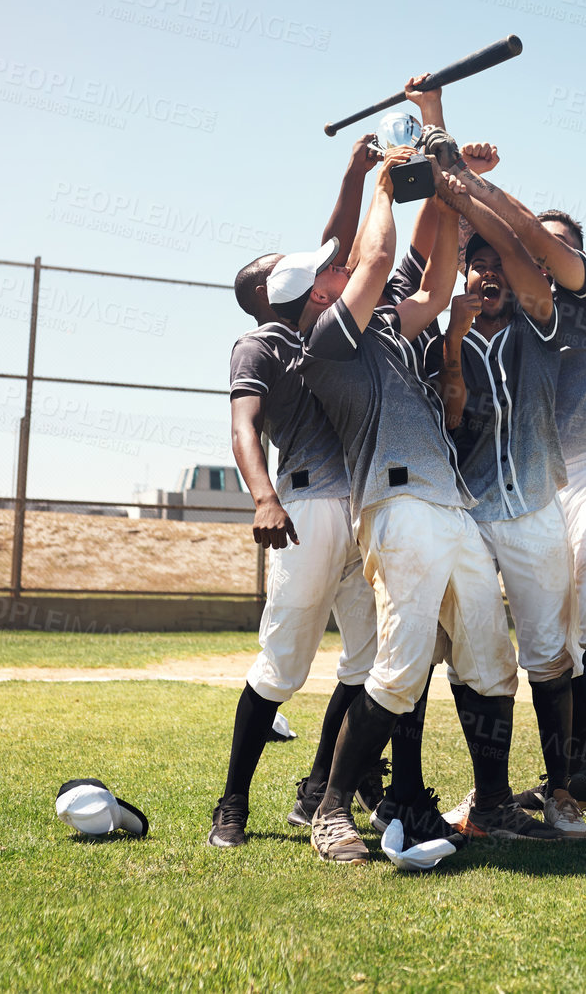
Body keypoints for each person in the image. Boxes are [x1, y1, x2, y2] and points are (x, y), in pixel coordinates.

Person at [292, 82, 559, 863]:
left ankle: (495, 802)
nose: (339, 269)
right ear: (315, 298)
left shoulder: (386, 324)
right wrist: (384, 180)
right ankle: (333, 809)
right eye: (325, 272)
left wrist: (439, 167)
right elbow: (375, 254)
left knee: (488, 658)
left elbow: (436, 283)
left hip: (451, 504)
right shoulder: (329, 342)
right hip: (399, 501)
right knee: (399, 666)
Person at [434, 154, 586, 812]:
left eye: (557, 244)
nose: (545, 253)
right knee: (553, 625)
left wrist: (465, 179)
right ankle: (567, 780)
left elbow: (525, 233)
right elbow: (483, 252)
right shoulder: (519, 314)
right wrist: (446, 167)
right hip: (545, 477)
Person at [206, 135, 391, 849]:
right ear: (266, 293)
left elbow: (334, 247)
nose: (325, 272)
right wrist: (261, 495)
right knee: (282, 666)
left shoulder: (324, 326)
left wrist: (353, 174)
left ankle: (320, 787)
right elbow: (244, 426)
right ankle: (232, 802)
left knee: (373, 662)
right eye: (297, 274)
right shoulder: (259, 344)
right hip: (307, 507)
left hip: (369, 509)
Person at [432, 146, 586, 839]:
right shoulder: (449, 338)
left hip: (532, 506)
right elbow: (452, 419)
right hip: (469, 512)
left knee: (550, 654)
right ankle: (491, 797)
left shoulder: (538, 323)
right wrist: (453, 342)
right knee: (476, 656)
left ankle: (560, 791)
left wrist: (470, 183)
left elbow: (521, 259)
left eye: (496, 267)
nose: (488, 275)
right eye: (477, 267)